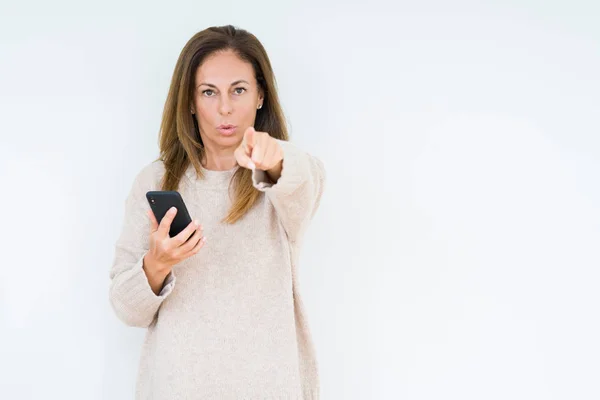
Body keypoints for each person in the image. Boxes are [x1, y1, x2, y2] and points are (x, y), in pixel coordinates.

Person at [108, 25, 326, 399]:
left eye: (238, 90)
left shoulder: (278, 180)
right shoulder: (156, 181)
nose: (225, 107)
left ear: (260, 95)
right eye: (209, 92)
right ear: (190, 101)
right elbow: (127, 310)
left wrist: (272, 158)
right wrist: (157, 264)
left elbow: (302, 179)